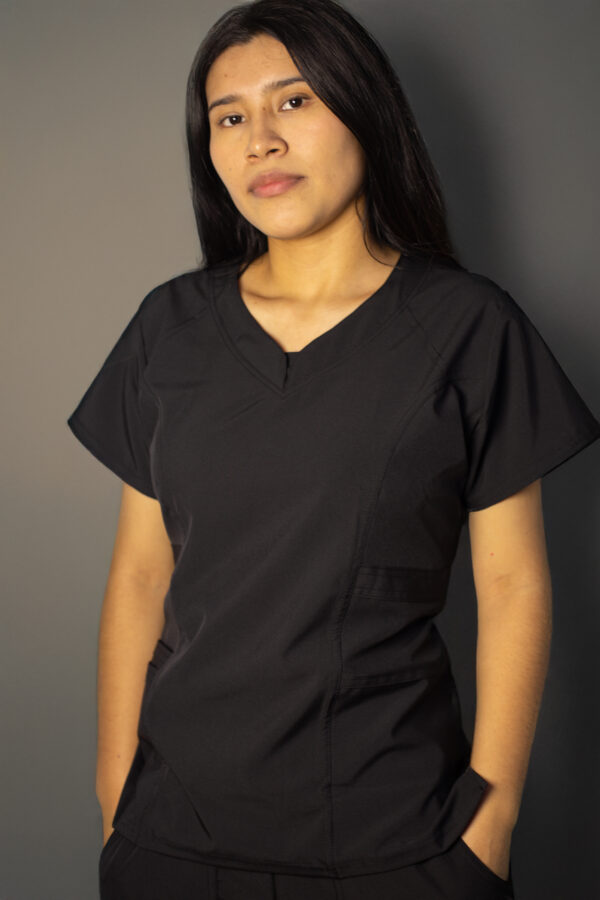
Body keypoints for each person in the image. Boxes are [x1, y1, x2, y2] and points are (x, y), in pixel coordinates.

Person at [66, 1, 600, 898]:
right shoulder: (170, 328)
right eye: (229, 117)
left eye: (294, 101)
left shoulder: (469, 328)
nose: (260, 141)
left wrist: (493, 819)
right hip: (174, 840)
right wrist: (115, 792)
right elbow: (140, 576)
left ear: (366, 110)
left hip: (398, 839)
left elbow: (514, 584)